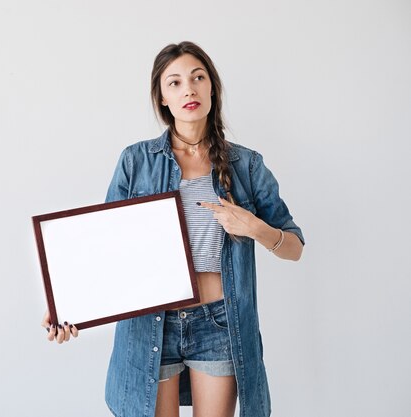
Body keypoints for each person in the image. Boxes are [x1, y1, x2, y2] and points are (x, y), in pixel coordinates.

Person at [42, 41, 305, 417]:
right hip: (151, 324)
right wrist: (65, 308)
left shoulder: (246, 164)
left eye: (198, 78)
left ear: (212, 86)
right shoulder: (135, 161)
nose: (189, 89)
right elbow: (101, 249)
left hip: (219, 322)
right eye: (175, 82)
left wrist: (256, 228)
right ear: (162, 98)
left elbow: (294, 247)